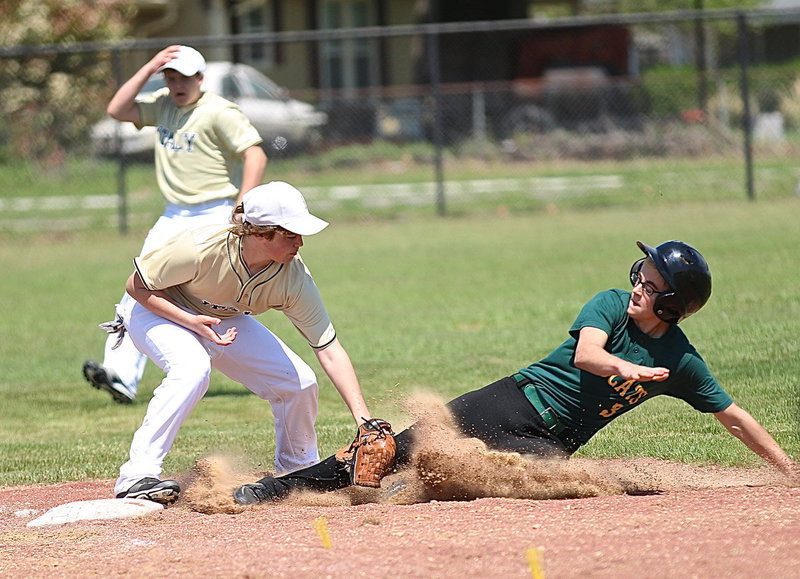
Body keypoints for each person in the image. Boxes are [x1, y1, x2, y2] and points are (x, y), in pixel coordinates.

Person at [234, 240, 799, 504]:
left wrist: (785, 471)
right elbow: (588, 356)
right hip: (511, 400)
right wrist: (629, 367)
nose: (637, 286)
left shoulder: (680, 361)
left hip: (555, 440)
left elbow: (733, 416)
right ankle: (274, 489)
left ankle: (401, 494)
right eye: (640, 274)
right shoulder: (608, 304)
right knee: (390, 451)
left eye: (651, 286)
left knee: (489, 483)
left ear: (673, 307)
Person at [113, 181, 374, 504]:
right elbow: (136, 287)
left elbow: (328, 349)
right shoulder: (200, 247)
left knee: (299, 383)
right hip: (159, 311)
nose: (301, 243)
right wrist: (189, 321)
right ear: (260, 233)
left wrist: (363, 419)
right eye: (290, 235)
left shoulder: (292, 278)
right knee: (192, 369)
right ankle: (136, 475)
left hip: (224, 320)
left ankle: (296, 472)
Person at [83, 45, 268, 404]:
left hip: (214, 212)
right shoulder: (163, 103)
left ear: (201, 78)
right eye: (171, 78)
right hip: (174, 214)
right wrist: (150, 65)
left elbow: (255, 154)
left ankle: (240, 362)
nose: (178, 85)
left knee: (214, 293)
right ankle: (120, 375)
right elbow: (116, 109)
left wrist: (241, 207)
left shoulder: (218, 112)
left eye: (185, 78)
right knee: (138, 286)